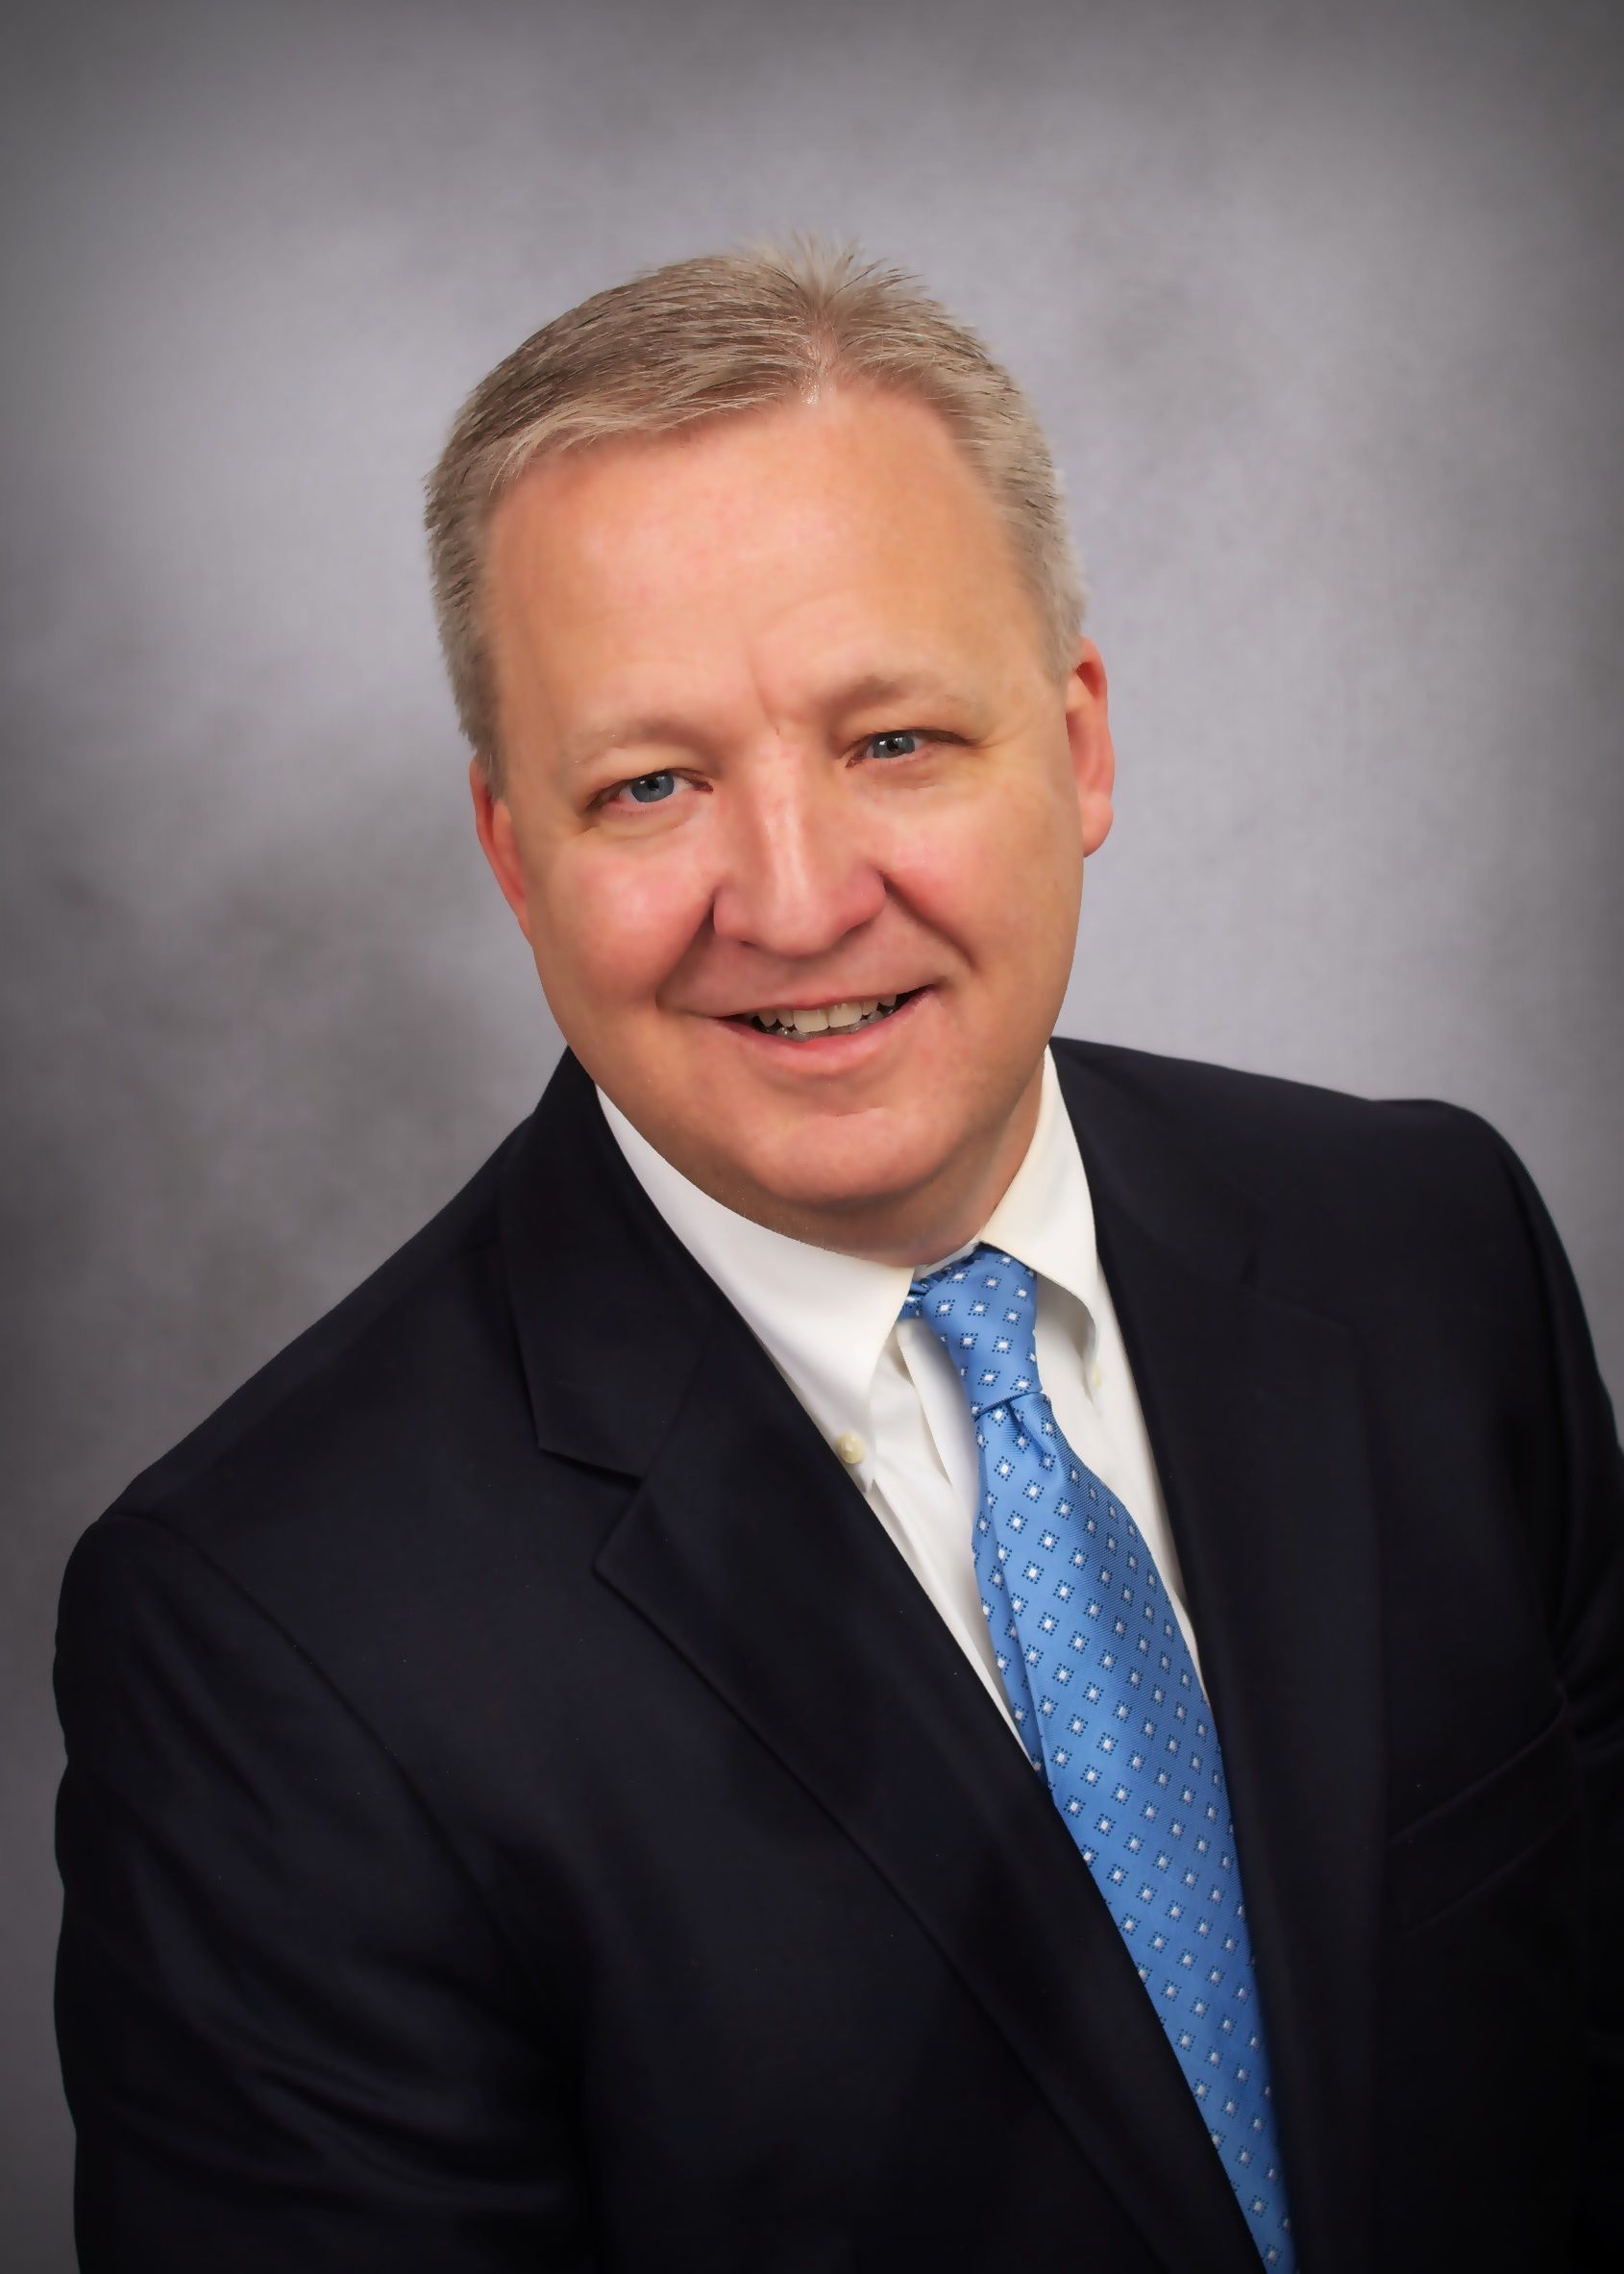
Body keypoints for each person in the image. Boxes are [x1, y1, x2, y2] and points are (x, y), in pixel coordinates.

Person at [54, 241, 1622, 2274]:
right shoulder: (267, 1639)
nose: (792, 902)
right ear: (513, 853)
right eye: (650, 784)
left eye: (890, 740)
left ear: (1078, 743)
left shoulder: (1426, 1253)